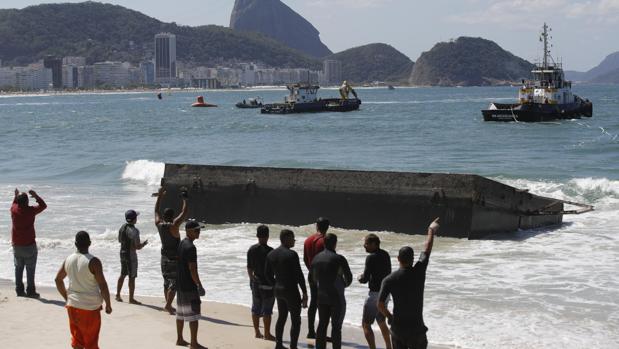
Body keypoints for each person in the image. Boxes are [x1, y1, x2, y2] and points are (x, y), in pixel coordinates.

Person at [378, 218, 439, 349]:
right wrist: (431, 230)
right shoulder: (419, 271)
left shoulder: (389, 279)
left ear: (398, 259)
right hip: (417, 330)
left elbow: (380, 304)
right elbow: (427, 249)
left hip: (398, 330)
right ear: (412, 259)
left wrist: (390, 317)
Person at [55, 231, 112, 349]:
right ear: (90, 243)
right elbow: (103, 285)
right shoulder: (94, 262)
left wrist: (67, 298)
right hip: (90, 308)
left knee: (77, 341)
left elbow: (58, 280)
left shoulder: (68, 259)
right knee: (91, 342)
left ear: (75, 244)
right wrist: (108, 304)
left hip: (73, 306)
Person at [265, 229, 308, 349]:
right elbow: (299, 275)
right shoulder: (291, 254)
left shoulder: (271, 254)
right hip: (291, 290)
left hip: (278, 290)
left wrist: (275, 284)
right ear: (286, 238)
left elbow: (267, 274)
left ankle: (278, 345)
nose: (294, 240)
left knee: (282, 317)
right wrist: (304, 292)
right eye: (292, 238)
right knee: (296, 319)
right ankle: (293, 347)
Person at [310, 233, 352, 349]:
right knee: (336, 327)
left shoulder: (316, 258)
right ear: (335, 243)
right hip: (336, 298)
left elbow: (311, 279)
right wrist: (342, 285)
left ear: (324, 243)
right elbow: (349, 279)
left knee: (322, 325)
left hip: (321, 297)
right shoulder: (339, 259)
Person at [155, 186, 188, 314]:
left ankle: (168, 305)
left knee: (166, 282)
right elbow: (184, 213)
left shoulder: (159, 225)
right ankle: (168, 305)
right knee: (173, 284)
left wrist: (160, 196)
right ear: (172, 217)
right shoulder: (174, 226)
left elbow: (156, 211)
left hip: (164, 257)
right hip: (174, 258)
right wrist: (185, 199)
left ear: (164, 216)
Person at [176, 220, 207, 349]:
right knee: (193, 316)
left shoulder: (182, 243)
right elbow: (192, 269)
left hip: (180, 285)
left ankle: (180, 339)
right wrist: (199, 285)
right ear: (189, 231)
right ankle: (193, 343)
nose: (199, 232)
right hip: (189, 286)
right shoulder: (191, 247)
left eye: (199, 229)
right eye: (196, 230)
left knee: (181, 314)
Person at [11, 188, 47, 298]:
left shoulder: (14, 210)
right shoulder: (31, 210)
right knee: (30, 269)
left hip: (17, 245)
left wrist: (16, 195)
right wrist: (36, 196)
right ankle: (31, 291)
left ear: (18, 201)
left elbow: (14, 203)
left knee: (18, 268)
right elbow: (43, 205)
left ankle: (19, 290)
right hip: (29, 245)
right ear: (27, 202)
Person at [358, 234, 392, 349]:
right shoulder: (386, 254)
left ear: (374, 244)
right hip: (385, 294)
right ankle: (389, 346)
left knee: (366, 324)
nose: (364, 246)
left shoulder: (371, 257)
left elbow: (365, 278)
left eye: (366, 243)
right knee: (381, 321)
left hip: (374, 295)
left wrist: (360, 278)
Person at [246, 225, 275, 340]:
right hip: (268, 283)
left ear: (257, 236)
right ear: (268, 236)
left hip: (256, 281)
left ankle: (257, 332)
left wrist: (251, 279)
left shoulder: (251, 249)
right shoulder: (271, 252)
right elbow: (274, 270)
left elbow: (249, 268)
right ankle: (267, 334)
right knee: (267, 309)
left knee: (256, 307)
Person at [303, 217, 329, 339]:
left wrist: (311, 270)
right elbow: (327, 259)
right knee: (324, 304)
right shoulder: (325, 241)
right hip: (323, 276)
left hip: (311, 274)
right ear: (327, 227)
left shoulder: (308, 240)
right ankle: (321, 334)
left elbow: (304, 259)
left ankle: (311, 331)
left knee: (313, 302)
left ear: (316, 226)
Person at [115, 209, 148, 304]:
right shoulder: (135, 231)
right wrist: (144, 244)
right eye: (136, 217)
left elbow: (120, 240)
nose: (137, 218)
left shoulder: (122, 227)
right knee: (132, 277)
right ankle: (131, 299)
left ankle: (117, 295)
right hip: (131, 255)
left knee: (122, 274)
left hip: (122, 253)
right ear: (134, 219)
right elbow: (137, 247)